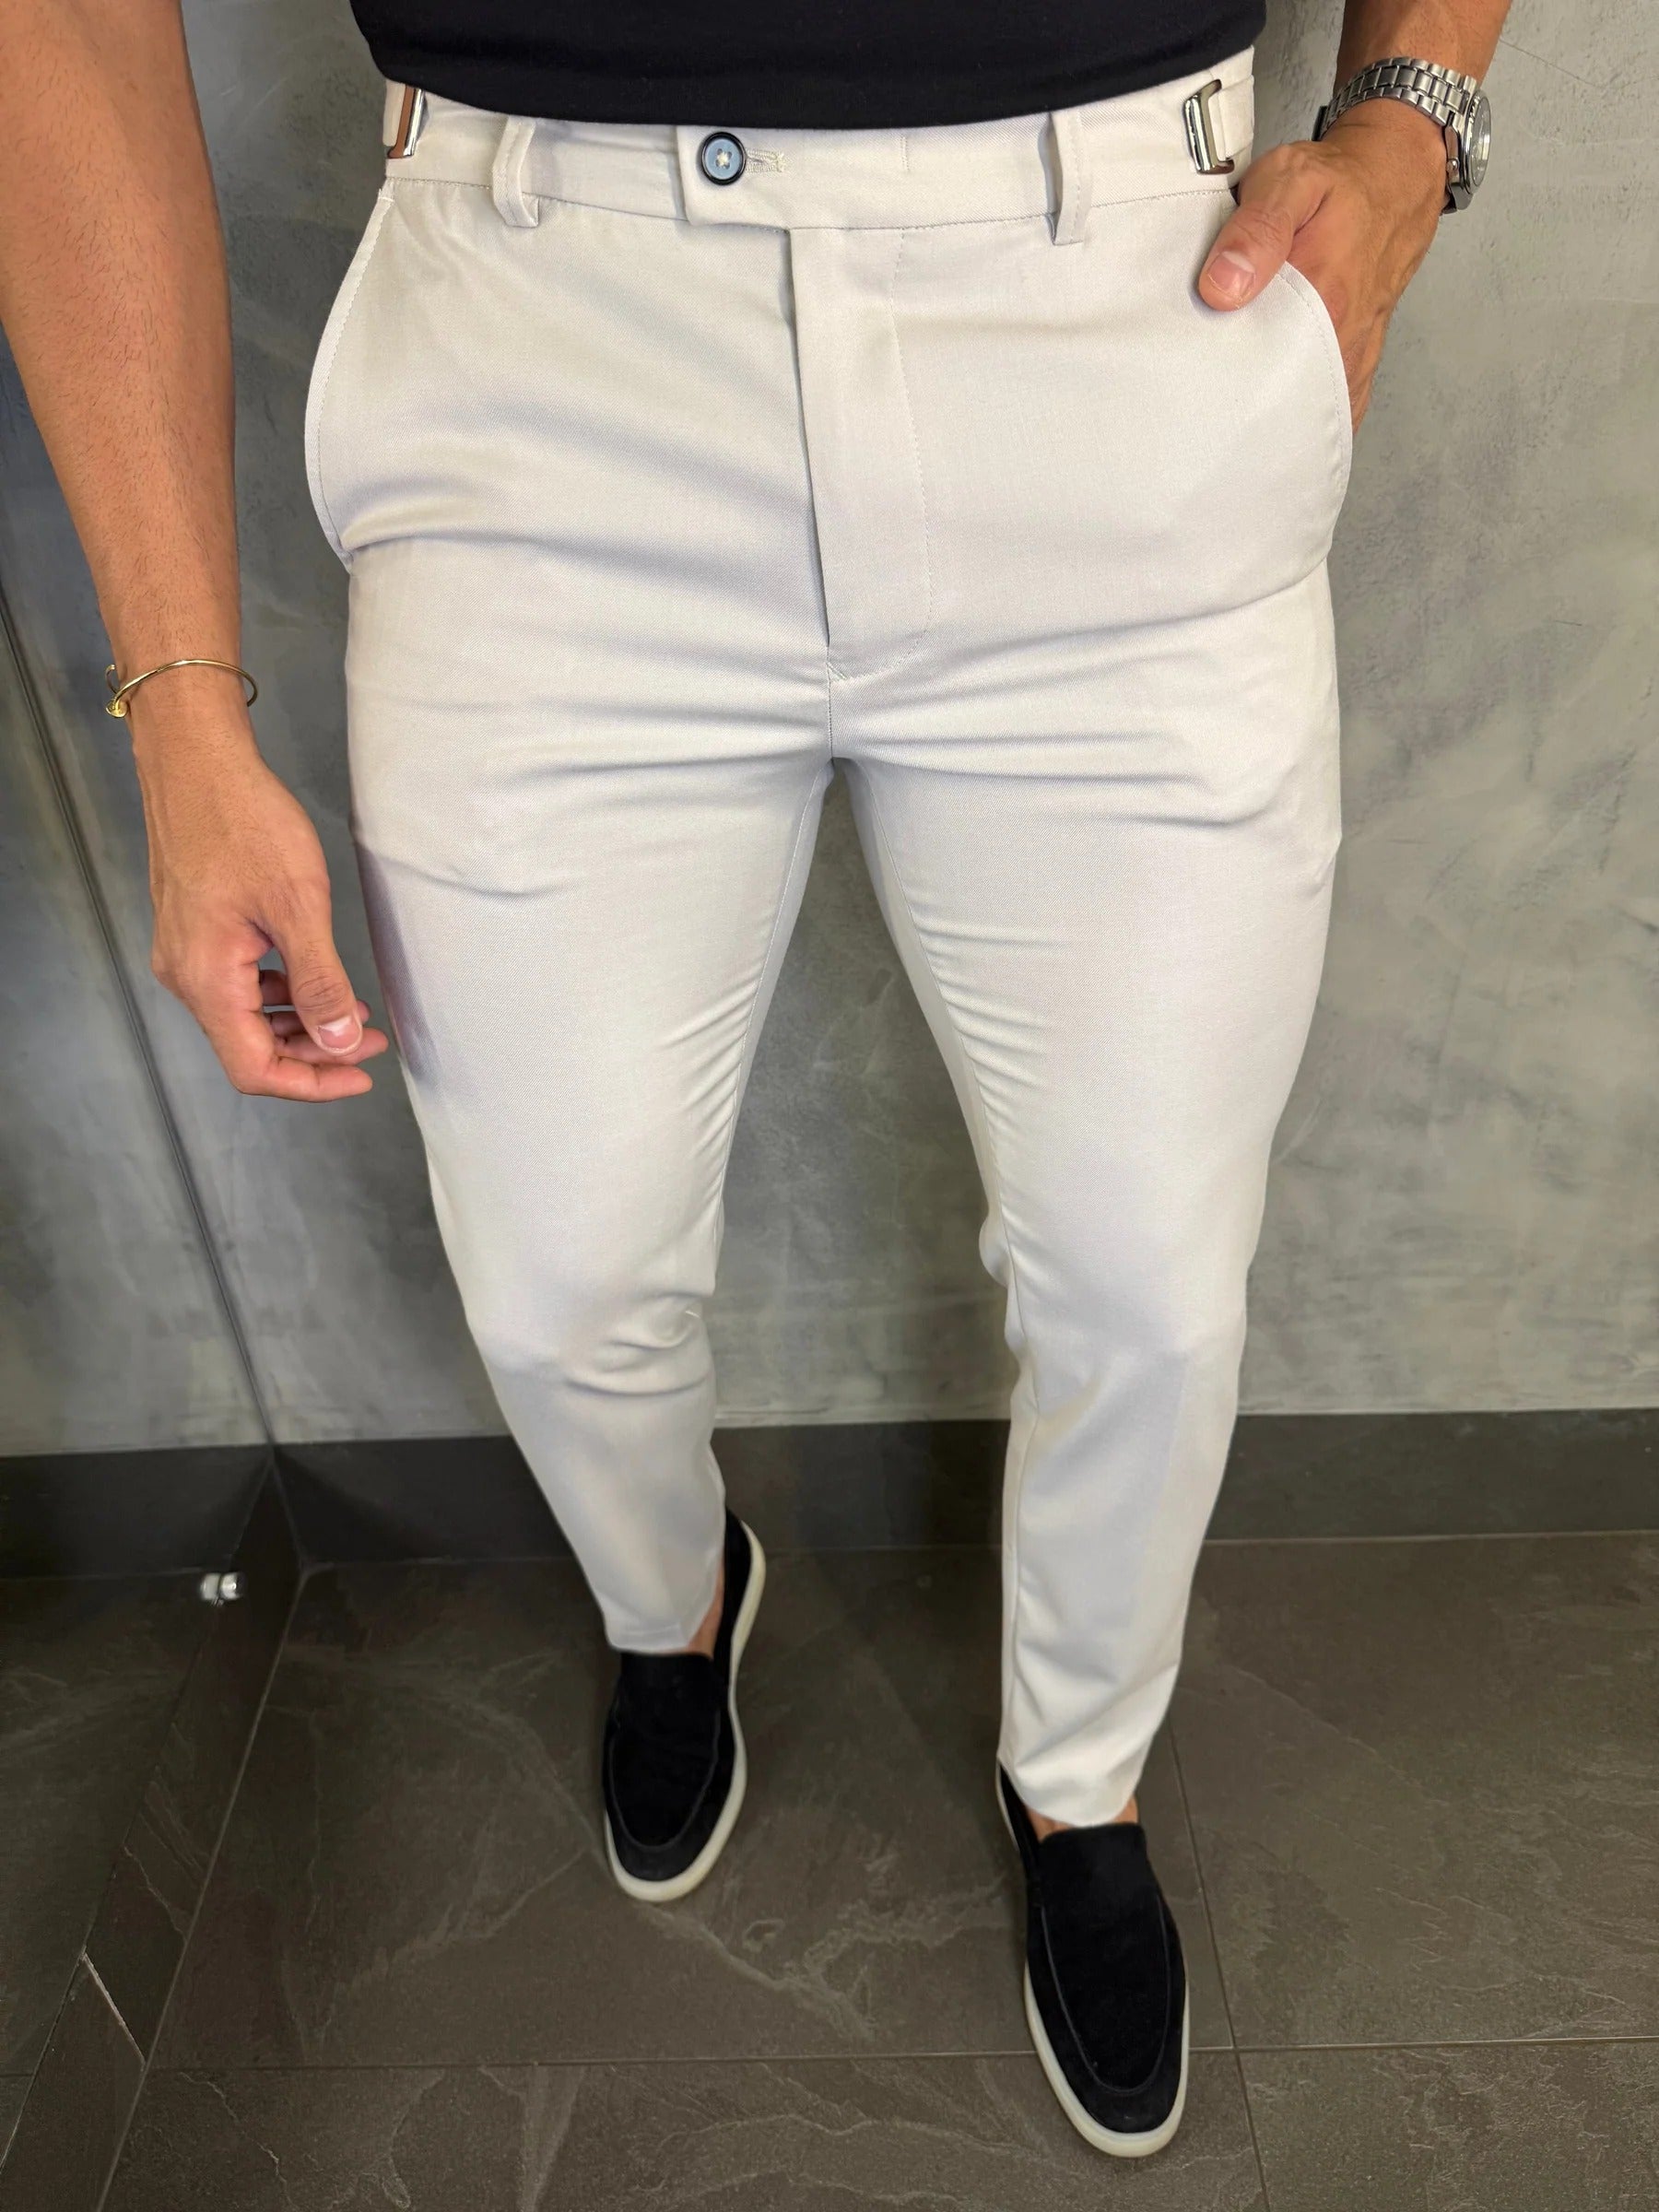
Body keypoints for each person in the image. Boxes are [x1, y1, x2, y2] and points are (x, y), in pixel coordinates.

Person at [0, 0, 1506, 2158]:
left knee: (1148, 1282)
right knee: (559, 1279)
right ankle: (672, 1598)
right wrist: (178, 707)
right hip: (543, 366)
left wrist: (1410, 122)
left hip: (1123, 318)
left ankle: (1080, 1776)